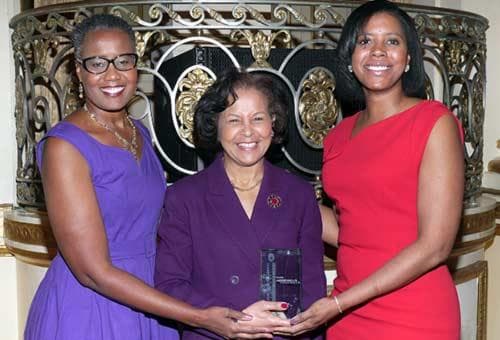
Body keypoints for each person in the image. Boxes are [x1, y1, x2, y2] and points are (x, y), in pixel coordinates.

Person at [24, 14, 288, 340]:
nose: (112, 74)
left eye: (123, 60)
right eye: (97, 63)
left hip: (151, 299)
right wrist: (199, 317)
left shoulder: (138, 132)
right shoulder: (64, 147)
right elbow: (93, 272)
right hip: (92, 308)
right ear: (78, 69)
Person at [282, 1, 464, 339]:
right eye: (365, 41)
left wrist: (339, 303)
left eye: (392, 42)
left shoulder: (433, 123)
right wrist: (274, 189)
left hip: (413, 314)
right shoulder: (337, 136)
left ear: (409, 58)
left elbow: (435, 245)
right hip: (349, 315)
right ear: (350, 58)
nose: (378, 51)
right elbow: (352, 229)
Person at [154, 67, 326, 339]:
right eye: (234, 120)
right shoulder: (185, 198)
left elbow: (312, 289)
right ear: (216, 126)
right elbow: (169, 284)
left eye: (258, 118)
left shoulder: (299, 194)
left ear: (273, 123)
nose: (248, 132)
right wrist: (236, 318)